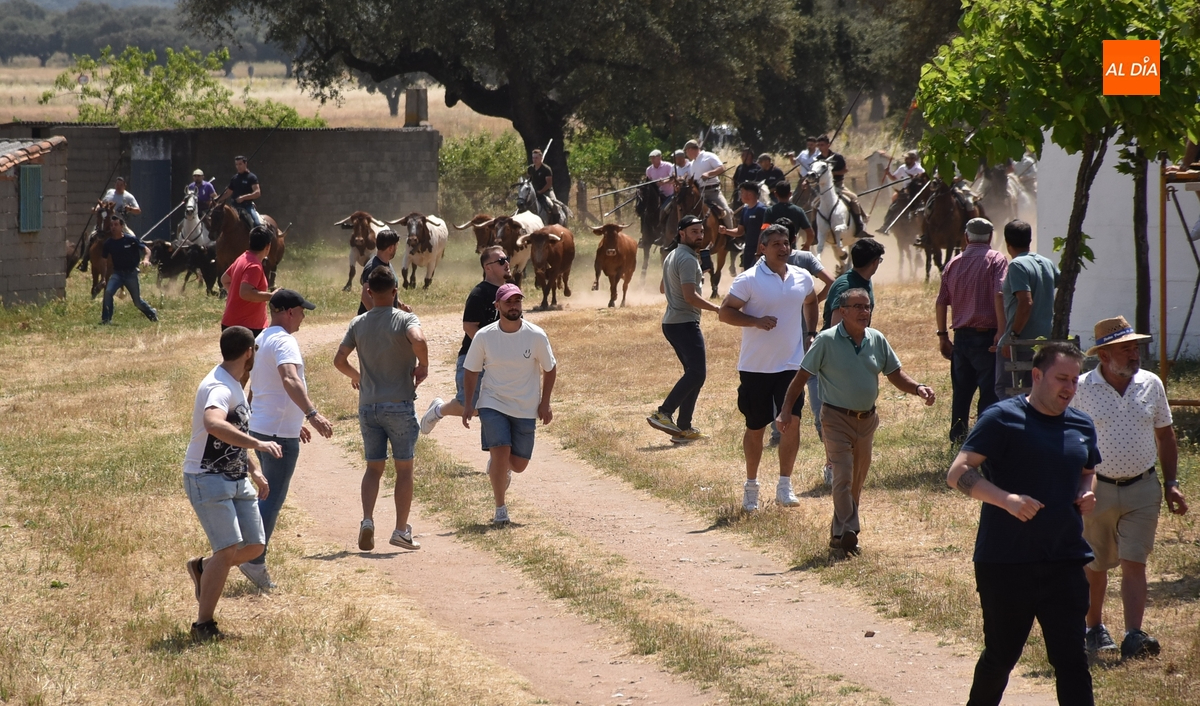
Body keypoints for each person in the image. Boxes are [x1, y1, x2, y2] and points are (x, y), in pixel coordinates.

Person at [946, 342, 1098, 706]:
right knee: (1001, 657)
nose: (1069, 388)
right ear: (1037, 375)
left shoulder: (1081, 424)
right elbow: (958, 473)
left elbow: (1087, 470)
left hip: (1065, 558)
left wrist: (1086, 491)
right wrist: (1007, 500)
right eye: (1062, 378)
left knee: (1072, 660)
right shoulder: (1002, 418)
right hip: (1007, 561)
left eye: (1075, 380)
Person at [778, 288, 934, 554]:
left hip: (867, 420)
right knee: (843, 475)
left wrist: (917, 388)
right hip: (835, 419)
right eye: (858, 306)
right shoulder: (826, 340)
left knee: (857, 480)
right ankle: (851, 529)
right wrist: (785, 411)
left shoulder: (877, 339)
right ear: (843, 311)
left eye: (867, 306)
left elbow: (895, 374)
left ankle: (839, 536)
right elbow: (801, 377)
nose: (865, 312)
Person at [1070, 316, 1189, 659]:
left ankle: (1134, 635)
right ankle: (1094, 629)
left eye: (1135, 347)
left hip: (1143, 488)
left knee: (1134, 561)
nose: (1135, 354)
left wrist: (1171, 483)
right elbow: (1067, 437)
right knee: (1095, 564)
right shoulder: (1081, 389)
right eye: (1126, 349)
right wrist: (1074, 486)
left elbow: (1165, 434)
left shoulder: (1151, 383)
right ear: (1104, 355)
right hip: (1097, 489)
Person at [183, 326, 282, 641]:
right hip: (207, 477)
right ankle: (203, 625)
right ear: (249, 352)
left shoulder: (234, 384)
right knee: (226, 549)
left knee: (254, 546)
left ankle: (203, 567)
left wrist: (254, 469)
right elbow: (213, 423)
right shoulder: (219, 387)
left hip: (236, 477)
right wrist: (258, 444)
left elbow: (232, 433)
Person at [720, 225, 819, 510]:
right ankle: (751, 486)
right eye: (776, 243)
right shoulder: (749, 279)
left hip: (792, 364)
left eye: (786, 243)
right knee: (756, 427)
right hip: (756, 367)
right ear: (762, 248)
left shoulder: (801, 276)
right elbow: (725, 312)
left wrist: (811, 333)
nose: (783, 248)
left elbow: (811, 299)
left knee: (792, 423)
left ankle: (785, 486)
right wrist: (755, 321)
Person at [243, 289, 334, 590]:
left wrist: (294, 421)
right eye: (302, 311)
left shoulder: (262, 338)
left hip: (263, 428)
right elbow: (289, 378)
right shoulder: (285, 341)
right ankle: (252, 560)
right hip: (278, 435)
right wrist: (311, 414)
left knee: (264, 495)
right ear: (290, 311)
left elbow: (259, 386)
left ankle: (244, 551)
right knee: (271, 500)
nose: (304, 317)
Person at [334, 267, 429, 552]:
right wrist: (423, 365)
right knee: (404, 469)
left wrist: (358, 376)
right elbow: (419, 340)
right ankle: (400, 530)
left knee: (373, 468)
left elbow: (339, 360)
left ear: (369, 292)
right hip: (399, 404)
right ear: (395, 291)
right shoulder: (405, 318)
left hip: (368, 405)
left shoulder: (358, 323)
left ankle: (367, 519)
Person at [461, 283, 558, 526]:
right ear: (497, 305)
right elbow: (471, 371)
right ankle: (500, 509)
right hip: (492, 402)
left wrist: (545, 403)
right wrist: (469, 403)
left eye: (517, 301)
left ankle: (500, 466)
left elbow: (550, 368)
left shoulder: (536, 335)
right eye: (508, 302)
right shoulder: (484, 336)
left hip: (525, 407)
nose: (513, 306)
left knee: (519, 464)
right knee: (501, 451)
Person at [809, 238, 885, 484]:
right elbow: (835, 325)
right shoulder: (847, 285)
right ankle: (832, 467)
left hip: (855, 352)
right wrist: (844, 357)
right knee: (835, 411)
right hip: (839, 356)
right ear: (874, 262)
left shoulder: (862, 280)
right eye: (879, 260)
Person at [419, 245, 512, 435]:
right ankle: (438, 410)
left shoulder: (510, 293)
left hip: (498, 361)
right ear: (488, 267)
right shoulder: (480, 293)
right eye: (502, 261)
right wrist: (489, 350)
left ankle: (499, 451)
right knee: (469, 406)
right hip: (473, 359)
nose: (507, 263)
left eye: (507, 259)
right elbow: (469, 326)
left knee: (497, 406)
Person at [648, 215, 721, 442]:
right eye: (694, 232)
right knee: (697, 373)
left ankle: (683, 428)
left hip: (672, 323)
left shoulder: (673, 255)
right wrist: (717, 308)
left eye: (701, 231)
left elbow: (663, 287)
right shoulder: (688, 259)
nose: (699, 236)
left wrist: (696, 276)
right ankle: (663, 413)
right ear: (682, 233)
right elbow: (690, 297)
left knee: (694, 374)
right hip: (684, 323)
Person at [936, 218, 1009, 443]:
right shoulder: (996, 259)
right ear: (990, 236)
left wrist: (942, 336)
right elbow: (1000, 294)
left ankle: (958, 438)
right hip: (987, 336)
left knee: (961, 392)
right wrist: (1002, 330)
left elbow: (941, 301)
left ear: (966, 237)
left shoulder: (953, 263)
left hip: (961, 337)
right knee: (989, 392)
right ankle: (984, 439)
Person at [994, 219, 1059, 400]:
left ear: (1007, 243)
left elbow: (1025, 302)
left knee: (1005, 389)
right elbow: (1065, 286)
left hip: (1020, 341)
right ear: (1030, 240)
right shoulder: (1046, 263)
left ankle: (1013, 418)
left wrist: (1012, 336)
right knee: (1034, 392)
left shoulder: (1017, 265)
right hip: (1044, 340)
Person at [100, 212, 158, 324]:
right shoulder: (108, 243)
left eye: (116, 225)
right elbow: (104, 260)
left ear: (121, 226)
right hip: (117, 274)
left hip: (131, 274)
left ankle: (152, 313)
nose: (113, 227)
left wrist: (146, 259)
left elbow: (146, 250)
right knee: (108, 292)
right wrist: (103, 277)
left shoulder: (130, 239)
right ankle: (106, 319)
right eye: (111, 225)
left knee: (137, 302)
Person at [220, 226, 273, 336]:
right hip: (247, 328)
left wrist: (237, 295)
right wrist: (271, 296)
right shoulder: (254, 266)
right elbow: (245, 293)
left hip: (230, 324)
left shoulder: (242, 258)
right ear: (268, 246)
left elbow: (224, 279)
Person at [815, 134, 865, 233]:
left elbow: (845, 170)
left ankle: (860, 225)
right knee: (814, 205)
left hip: (838, 185)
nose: (820, 147)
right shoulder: (818, 159)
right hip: (824, 188)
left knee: (853, 199)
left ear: (828, 145)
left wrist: (831, 173)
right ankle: (815, 229)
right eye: (819, 145)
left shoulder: (837, 157)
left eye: (822, 145)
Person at [684, 139, 734, 230]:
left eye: (686, 152)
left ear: (690, 149)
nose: (686, 154)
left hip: (713, 192)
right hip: (699, 195)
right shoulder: (691, 164)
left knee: (726, 211)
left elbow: (722, 168)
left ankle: (731, 235)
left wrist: (709, 173)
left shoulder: (709, 156)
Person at [357, 228, 406, 315]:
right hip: (371, 321)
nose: (397, 249)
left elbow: (388, 292)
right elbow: (365, 296)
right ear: (391, 248)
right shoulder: (373, 267)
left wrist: (400, 305)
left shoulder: (387, 264)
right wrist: (379, 317)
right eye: (396, 246)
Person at [718, 182, 767, 266]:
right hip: (748, 250)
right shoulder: (745, 210)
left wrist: (759, 253)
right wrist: (726, 231)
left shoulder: (762, 210)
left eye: (742, 192)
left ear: (749, 194)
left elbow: (765, 233)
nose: (740, 196)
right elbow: (740, 231)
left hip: (761, 252)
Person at [765, 182, 815, 249]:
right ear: (790, 194)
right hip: (791, 250)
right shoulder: (798, 211)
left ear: (775, 194)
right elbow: (810, 233)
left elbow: (764, 231)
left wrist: (759, 251)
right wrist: (806, 246)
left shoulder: (769, 211)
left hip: (774, 250)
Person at [218, 155, 262, 227]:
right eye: (236, 165)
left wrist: (243, 198)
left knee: (257, 223)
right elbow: (228, 193)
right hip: (234, 207)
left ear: (245, 164)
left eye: (240, 164)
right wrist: (218, 199)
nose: (238, 166)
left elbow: (257, 193)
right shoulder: (234, 178)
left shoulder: (251, 177)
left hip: (247, 206)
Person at [527, 148, 555, 222]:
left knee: (554, 205)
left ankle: (556, 221)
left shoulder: (546, 169)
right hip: (534, 192)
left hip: (546, 191)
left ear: (541, 158)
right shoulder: (530, 168)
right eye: (533, 158)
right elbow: (528, 180)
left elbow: (549, 184)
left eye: (536, 158)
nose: (534, 160)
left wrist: (541, 191)